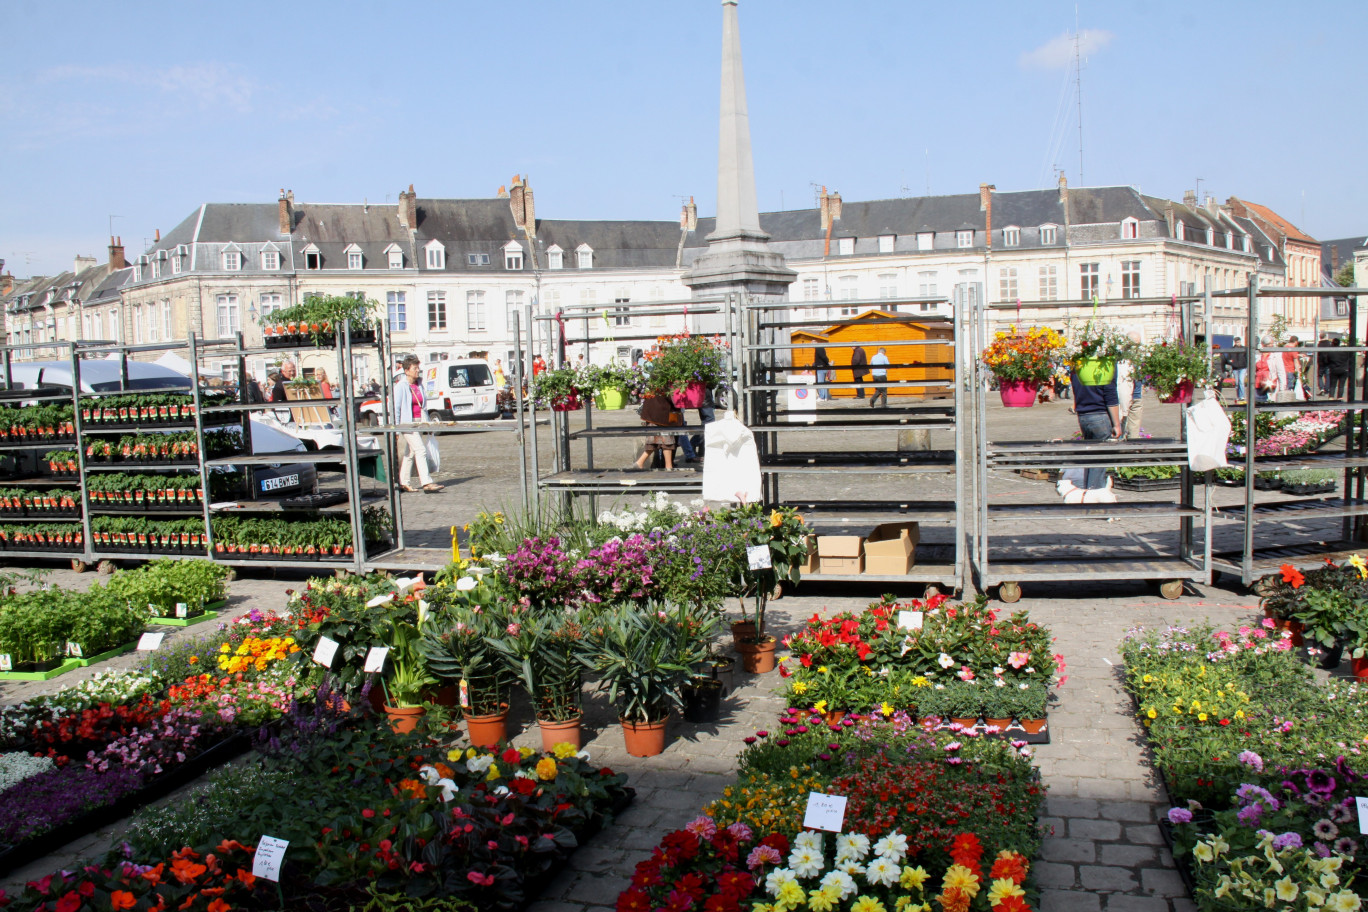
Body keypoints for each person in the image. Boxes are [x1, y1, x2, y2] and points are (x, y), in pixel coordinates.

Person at [392, 355, 440, 493]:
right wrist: (396, 428)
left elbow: (423, 406)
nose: (417, 370)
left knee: (410, 452)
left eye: (418, 367)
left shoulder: (419, 384)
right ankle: (426, 482)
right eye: (414, 368)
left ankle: (404, 481)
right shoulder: (401, 386)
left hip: (419, 422)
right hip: (407, 424)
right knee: (420, 450)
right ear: (406, 370)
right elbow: (396, 408)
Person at [1070, 367, 1121, 491]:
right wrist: (1117, 424)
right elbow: (1111, 395)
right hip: (1100, 414)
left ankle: (1088, 491)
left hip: (1083, 415)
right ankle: (1093, 496)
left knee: (1091, 457)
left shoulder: (1079, 363)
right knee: (1099, 460)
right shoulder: (1105, 365)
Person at [1117, 332, 1145, 439]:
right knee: (1122, 420)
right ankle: (1121, 446)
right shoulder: (1121, 358)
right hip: (1124, 395)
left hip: (1137, 395)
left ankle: (1134, 445)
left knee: (1135, 424)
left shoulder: (1140, 356)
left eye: (1137, 344)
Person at [1225, 337, 1248, 403]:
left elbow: (1247, 357)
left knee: (1241, 381)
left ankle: (1242, 396)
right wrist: (1231, 362)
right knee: (1237, 383)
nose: (1238, 343)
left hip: (1243, 367)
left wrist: (1246, 365)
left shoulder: (1244, 349)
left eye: (1239, 342)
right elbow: (1228, 358)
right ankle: (1238, 396)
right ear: (1235, 342)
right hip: (1235, 368)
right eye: (1237, 342)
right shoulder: (1232, 349)